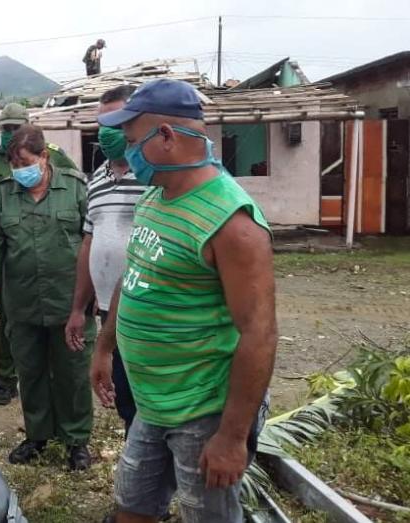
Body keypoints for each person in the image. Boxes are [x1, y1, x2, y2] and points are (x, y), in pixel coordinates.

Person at [91, 79, 277, 522]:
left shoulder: (232, 221)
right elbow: (133, 275)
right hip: (153, 403)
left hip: (203, 411)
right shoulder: (157, 195)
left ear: (168, 138)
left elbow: (260, 333)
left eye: (134, 142)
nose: (128, 153)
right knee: (132, 508)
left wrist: (232, 437)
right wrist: (104, 345)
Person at [0, 124, 95, 471]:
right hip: (23, 302)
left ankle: (76, 440)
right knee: (31, 372)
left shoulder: (74, 188)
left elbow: (94, 240)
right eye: (13, 164)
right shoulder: (4, 193)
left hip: (69, 302)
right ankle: (38, 435)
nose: (19, 170)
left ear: (44, 157)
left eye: (25, 162)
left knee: (72, 373)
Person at [0, 103, 79, 406]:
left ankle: (58, 393)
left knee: (58, 329)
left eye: (17, 128)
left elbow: (78, 204)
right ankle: (7, 381)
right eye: (6, 128)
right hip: (7, 258)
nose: (11, 133)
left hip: (54, 259)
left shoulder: (57, 160)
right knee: (8, 324)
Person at [65, 85, 144, 437]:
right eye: (103, 122)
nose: (109, 130)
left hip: (146, 306)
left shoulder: (153, 176)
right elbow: (89, 242)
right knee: (126, 394)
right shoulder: (95, 179)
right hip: (106, 307)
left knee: (149, 395)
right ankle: (140, 465)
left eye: (118, 120)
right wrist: (78, 308)